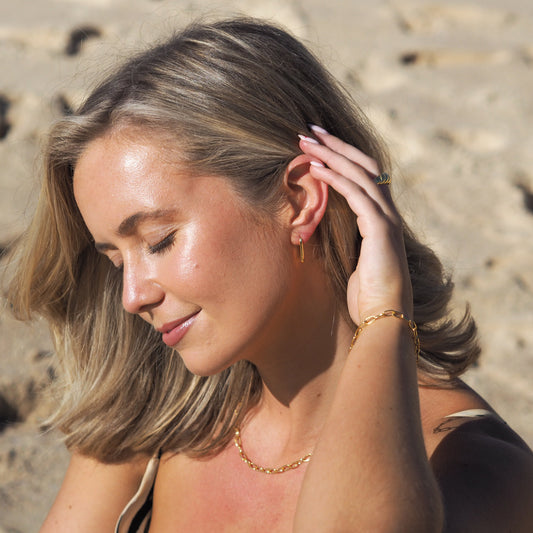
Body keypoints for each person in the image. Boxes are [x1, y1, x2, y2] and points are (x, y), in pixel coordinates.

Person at [6, 17, 533, 532]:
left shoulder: (478, 469)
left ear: (300, 199)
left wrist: (385, 316)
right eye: (116, 261)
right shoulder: (158, 418)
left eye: (159, 240)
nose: (132, 297)